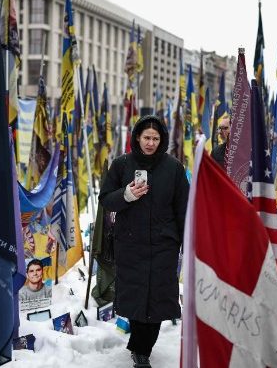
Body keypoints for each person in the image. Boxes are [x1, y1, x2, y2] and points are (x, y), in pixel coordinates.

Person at [99, 115, 189, 368]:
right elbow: (105, 199)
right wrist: (126, 195)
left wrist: (186, 242)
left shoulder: (173, 168)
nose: (150, 143)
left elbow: (183, 208)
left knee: (158, 297)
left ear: (162, 141)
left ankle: (142, 349)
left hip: (164, 244)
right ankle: (140, 348)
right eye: (146, 137)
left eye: (155, 138)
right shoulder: (121, 164)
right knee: (138, 295)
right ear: (137, 137)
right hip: (131, 243)